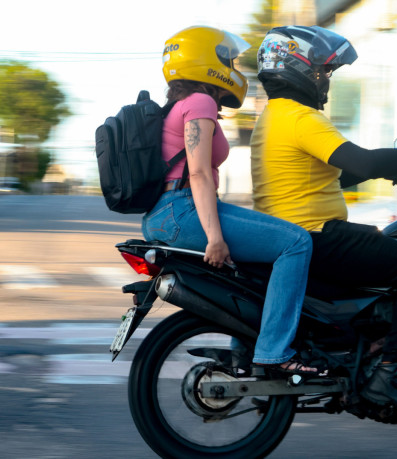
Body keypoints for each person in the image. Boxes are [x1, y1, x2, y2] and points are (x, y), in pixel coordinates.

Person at [250, 25, 397, 422]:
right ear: (300, 70)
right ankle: (388, 373)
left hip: (294, 234)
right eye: (324, 71)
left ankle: (369, 352)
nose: (326, 80)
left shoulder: (275, 116)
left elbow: (335, 172)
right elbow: (364, 161)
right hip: (319, 235)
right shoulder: (302, 118)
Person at [142, 25, 318, 376]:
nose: (234, 68)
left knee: (256, 266)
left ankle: (245, 352)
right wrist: (215, 238)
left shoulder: (178, 105)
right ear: (207, 61)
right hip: (184, 210)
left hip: (166, 213)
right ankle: (274, 353)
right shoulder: (200, 102)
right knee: (296, 242)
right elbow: (198, 173)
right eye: (229, 60)